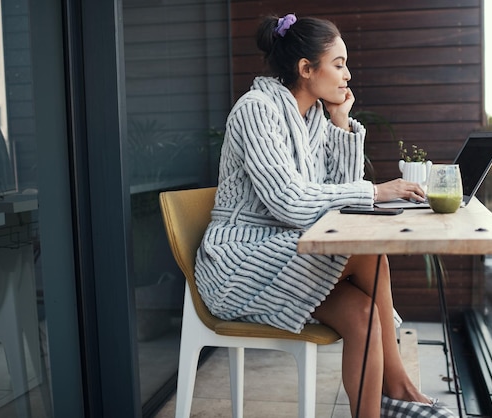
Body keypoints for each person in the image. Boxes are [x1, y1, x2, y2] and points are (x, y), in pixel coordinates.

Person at [195, 13, 455, 418]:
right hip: (238, 263)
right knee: (368, 253)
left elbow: (339, 203)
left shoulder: (314, 118)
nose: (347, 75)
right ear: (305, 68)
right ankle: (401, 389)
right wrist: (374, 190)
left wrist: (340, 123)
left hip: (287, 252)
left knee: (363, 314)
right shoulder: (256, 110)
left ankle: (383, 404)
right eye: (338, 64)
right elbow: (291, 202)